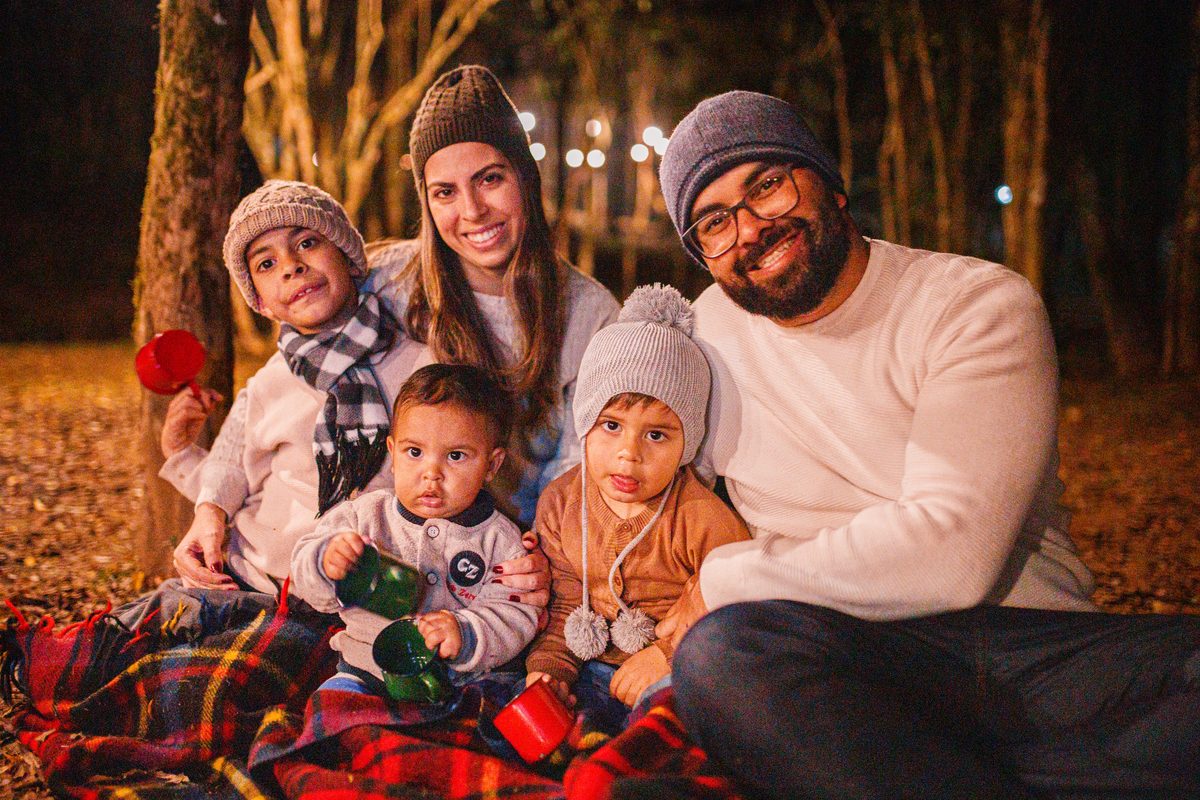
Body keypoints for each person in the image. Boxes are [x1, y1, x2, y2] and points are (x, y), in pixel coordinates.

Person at [653, 90, 1200, 799]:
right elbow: (630, 484)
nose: (752, 228)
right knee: (721, 662)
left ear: (828, 180)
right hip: (843, 660)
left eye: (767, 184)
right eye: (714, 222)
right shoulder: (702, 339)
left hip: (1028, 651)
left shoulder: (972, 305)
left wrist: (725, 580)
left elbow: (952, 553)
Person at [163, 64, 618, 598]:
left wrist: (535, 552)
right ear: (426, 200)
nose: (472, 211)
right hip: (373, 546)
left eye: (490, 179)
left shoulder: (589, 315)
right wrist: (209, 508)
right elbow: (271, 388)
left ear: (526, 175)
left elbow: (579, 471)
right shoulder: (393, 279)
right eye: (445, 192)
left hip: (494, 560)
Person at [150, 179, 428, 602]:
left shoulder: (420, 368)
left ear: (350, 257)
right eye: (265, 264)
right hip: (247, 571)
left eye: (308, 242)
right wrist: (205, 504)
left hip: (348, 592)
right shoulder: (270, 381)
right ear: (260, 302)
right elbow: (232, 466)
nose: (290, 266)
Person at [524, 284, 748, 731]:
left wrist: (665, 655)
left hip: (669, 666)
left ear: (688, 442)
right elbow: (566, 598)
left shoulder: (701, 517)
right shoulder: (561, 502)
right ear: (585, 424)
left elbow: (731, 604)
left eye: (657, 435)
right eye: (611, 426)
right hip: (586, 661)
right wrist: (551, 667)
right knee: (524, 713)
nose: (629, 454)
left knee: (669, 720)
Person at [290, 364, 538, 694]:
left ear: (491, 466)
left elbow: (517, 613)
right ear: (393, 454)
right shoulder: (364, 515)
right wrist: (325, 562)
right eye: (415, 452)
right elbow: (304, 571)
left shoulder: (499, 540)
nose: (431, 473)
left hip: (462, 681)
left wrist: (465, 633)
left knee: (489, 721)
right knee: (332, 712)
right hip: (365, 669)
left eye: (455, 455)